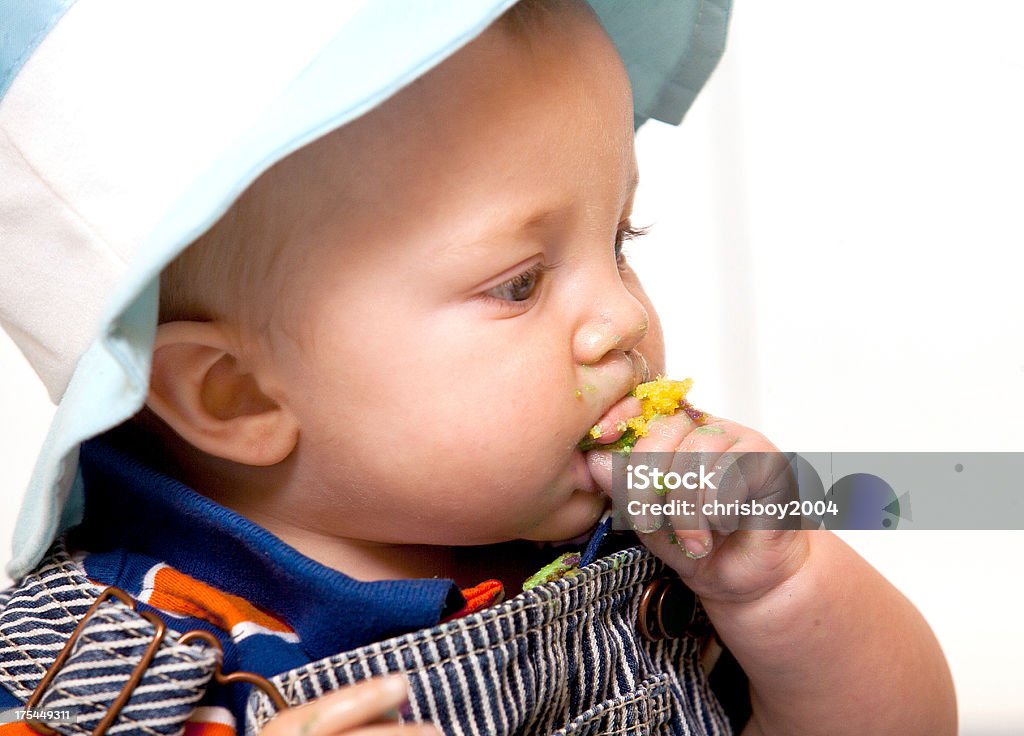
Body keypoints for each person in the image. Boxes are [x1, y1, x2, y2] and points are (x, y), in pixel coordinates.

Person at [0, 1, 956, 734]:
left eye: (623, 238)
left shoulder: (653, 551)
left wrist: (784, 589)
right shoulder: (98, 666)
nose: (624, 316)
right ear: (236, 394)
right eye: (519, 283)